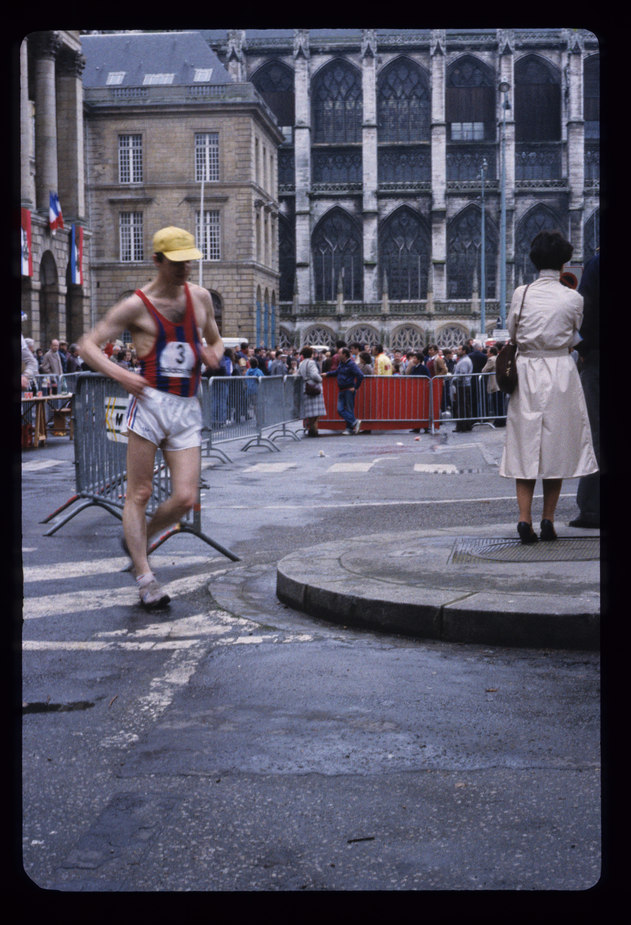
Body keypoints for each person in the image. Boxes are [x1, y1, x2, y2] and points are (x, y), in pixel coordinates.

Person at [78, 226, 224, 608]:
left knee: (186, 497)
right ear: (157, 260)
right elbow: (87, 345)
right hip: (150, 404)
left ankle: (136, 538)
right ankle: (145, 578)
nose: (186, 268)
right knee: (140, 492)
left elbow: (215, 337)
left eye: (190, 260)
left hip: (186, 406)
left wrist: (215, 354)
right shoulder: (136, 305)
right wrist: (121, 373)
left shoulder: (201, 297)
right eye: (177, 262)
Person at [498, 230, 598, 543]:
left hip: (527, 370)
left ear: (535, 260)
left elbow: (513, 330)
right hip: (560, 372)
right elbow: (574, 335)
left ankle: (524, 519)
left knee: (525, 445)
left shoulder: (521, 293)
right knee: (555, 448)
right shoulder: (574, 297)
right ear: (564, 260)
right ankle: (548, 520)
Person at [569, 251, 600, 529]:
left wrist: (584, 349)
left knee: (598, 435)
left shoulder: (598, 263)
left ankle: (593, 508)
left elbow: (584, 311)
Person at [325, 346, 363, 435]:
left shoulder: (351, 364)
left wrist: (355, 387)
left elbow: (360, 375)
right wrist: (327, 374)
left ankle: (350, 428)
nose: (338, 355)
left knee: (348, 409)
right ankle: (354, 422)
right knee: (340, 409)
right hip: (342, 389)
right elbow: (337, 372)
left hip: (348, 389)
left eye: (339, 353)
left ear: (344, 355)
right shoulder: (341, 363)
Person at [298, 346, 327, 437]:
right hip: (314, 387)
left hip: (305, 387)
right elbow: (314, 375)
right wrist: (320, 379)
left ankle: (312, 429)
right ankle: (314, 429)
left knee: (310, 412)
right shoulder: (311, 363)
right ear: (311, 354)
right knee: (316, 411)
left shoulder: (301, 363)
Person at [453, 344, 474, 431]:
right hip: (463, 386)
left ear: (464, 351)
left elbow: (462, 374)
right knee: (464, 406)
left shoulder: (464, 361)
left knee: (462, 406)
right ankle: (465, 425)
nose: (457, 351)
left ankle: (463, 426)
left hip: (463, 386)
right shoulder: (463, 360)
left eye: (459, 349)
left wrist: (454, 379)